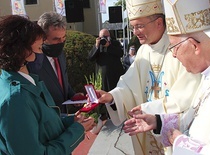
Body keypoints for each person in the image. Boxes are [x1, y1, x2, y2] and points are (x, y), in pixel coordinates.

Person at [96, 0, 202, 154]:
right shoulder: (143, 52)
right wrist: (111, 97)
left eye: (139, 26)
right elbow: (128, 85)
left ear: (159, 22)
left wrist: (147, 110)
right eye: (133, 27)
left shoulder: (180, 46)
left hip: (174, 137)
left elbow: (186, 97)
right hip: (148, 136)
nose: (135, 32)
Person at [123, 0, 210, 154]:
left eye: (175, 47)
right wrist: (158, 122)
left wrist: (180, 142)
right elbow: (193, 119)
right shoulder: (208, 78)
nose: (173, 54)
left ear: (194, 46)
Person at [0, 15, 85, 155]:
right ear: (22, 51)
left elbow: (42, 125)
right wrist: (76, 131)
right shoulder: (16, 98)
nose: (41, 53)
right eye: (39, 48)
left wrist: (71, 121)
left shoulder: (25, 83)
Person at [27, 12, 87, 114]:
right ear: (43, 38)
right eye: (56, 39)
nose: (61, 43)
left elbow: (61, 81)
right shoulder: (32, 62)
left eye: (63, 38)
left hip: (62, 117)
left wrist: (72, 95)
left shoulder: (60, 54)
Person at [88, 29, 125, 120]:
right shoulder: (97, 45)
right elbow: (90, 58)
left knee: (115, 94)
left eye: (106, 37)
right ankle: (105, 114)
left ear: (110, 36)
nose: (104, 39)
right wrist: (96, 46)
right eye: (102, 37)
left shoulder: (114, 43)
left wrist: (109, 46)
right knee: (103, 94)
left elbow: (120, 53)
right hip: (102, 76)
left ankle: (119, 112)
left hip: (114, 74)